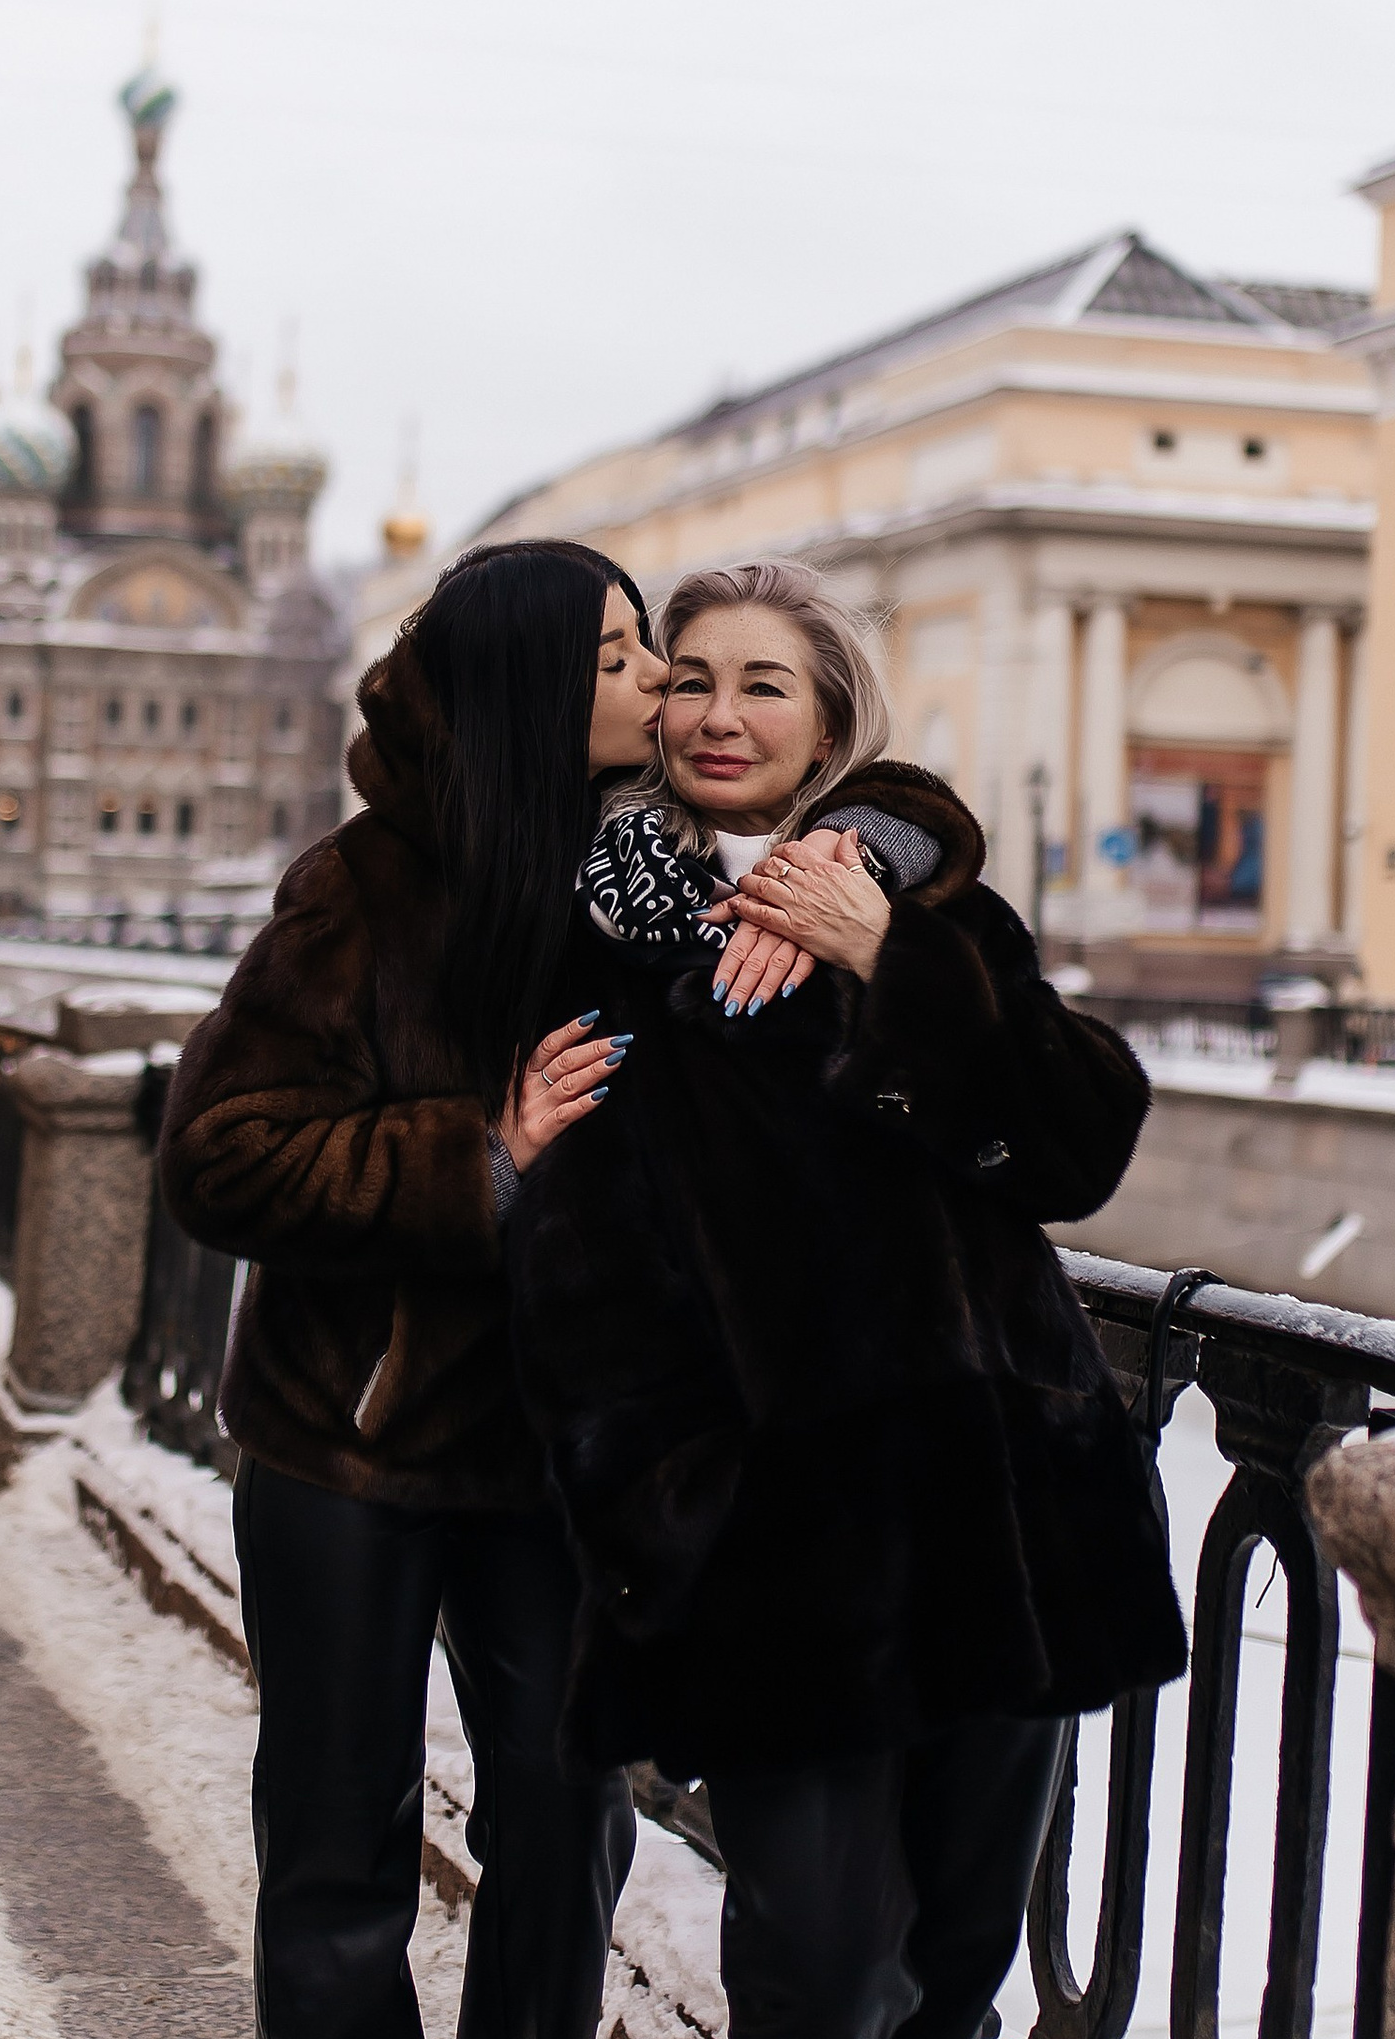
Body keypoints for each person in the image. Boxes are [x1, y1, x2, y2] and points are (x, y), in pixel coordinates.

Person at [506, 558, 1186, 2039]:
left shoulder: (929, 911)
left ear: (829, 735)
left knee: (956, 1977)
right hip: (778, 1560)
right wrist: (677, 1511)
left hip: (995, 1521)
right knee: (813, 1975)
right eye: (689, 678)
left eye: (765, 685)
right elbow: (575, 1273)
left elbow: (1078, 1146)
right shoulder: (598, 937)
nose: (717, 714)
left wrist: (891, 960)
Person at [158, 538, 662, 2038]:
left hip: (557, 1457)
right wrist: (477, 1159)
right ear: (527, 683)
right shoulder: (361, 893)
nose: (659, 683)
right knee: (336, 1848)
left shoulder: (647, 886)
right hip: (353, 1446)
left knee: (570, 1830)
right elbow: (218, 1157)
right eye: (621, 654)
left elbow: (854, 801)